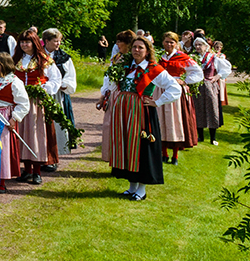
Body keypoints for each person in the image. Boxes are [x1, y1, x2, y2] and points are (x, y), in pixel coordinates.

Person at [98, 36, 181, 201]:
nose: (136, 50)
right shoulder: (126, 67)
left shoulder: (153, 69)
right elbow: (111, 83)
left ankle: (141, 189)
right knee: (127, 146)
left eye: (140, 48)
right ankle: (132, 186)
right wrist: (104, 96)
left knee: (141, 147)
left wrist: (157, 102)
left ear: (147, 50)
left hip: (141, 112)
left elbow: (175, 88)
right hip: (123, 110)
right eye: (134, 47)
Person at [14, 32, 61, 185]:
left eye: (27, 42)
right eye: (22, 42)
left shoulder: (45, 61)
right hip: (20, 102)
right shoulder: (15, 60)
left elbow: (55, 80)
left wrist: (43, 88)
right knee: (23, 134)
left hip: (36, 102)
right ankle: (26, 170)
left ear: (34, 43)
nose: (24, 45)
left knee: (36, 135)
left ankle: (37, 172)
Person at [0, 54, 29, 187]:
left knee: (2, 148)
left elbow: (23, 104)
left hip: (4, 116)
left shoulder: (14, 81)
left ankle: (1, 182)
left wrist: (14, 118)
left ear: (3, 64)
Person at [157, 32, 204, 164]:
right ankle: (164, 153)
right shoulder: (158, 57)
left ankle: (175, 155)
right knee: (162, 120)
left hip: (176, 91)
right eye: (166, 42)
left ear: (176, 43)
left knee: (176, 121)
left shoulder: (181, 57)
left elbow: (198, 72)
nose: (169, 44)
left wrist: (184, 81)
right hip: (161, 90)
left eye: (172, 42)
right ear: (163, 42)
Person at [194, 39, 231, 144]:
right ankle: (200, 136)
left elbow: (227, 67)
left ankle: (213, 138)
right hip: (197, 86)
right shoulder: (194, 58)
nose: (197, 47)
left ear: (206, 46)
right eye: (196, 45)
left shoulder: (213, 57)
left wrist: (217, 76)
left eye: (200, 45)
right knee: (198, 110)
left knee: (212, 109)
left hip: (210, 86)